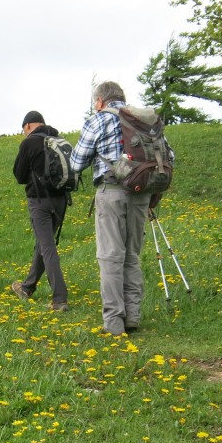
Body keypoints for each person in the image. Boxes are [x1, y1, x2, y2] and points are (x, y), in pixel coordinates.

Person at [69, 81, 168, 336]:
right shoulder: (144, 120)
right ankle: (132, 316)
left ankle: (113, 322)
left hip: (111, 191)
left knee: (111, 257)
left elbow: (77, 162)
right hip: (141, 193)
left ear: (100, 101)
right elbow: (170, 156)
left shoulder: (99, 119)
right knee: (131, 255)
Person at [10, 110, 69, 312]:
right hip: (61, 200)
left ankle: (60, 298)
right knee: (43, 245)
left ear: (27, 126)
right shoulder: (57, 138)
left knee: (47, 247)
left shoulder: (29, 143)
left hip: (39, 200)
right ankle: (27, 287)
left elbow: (19, 175)